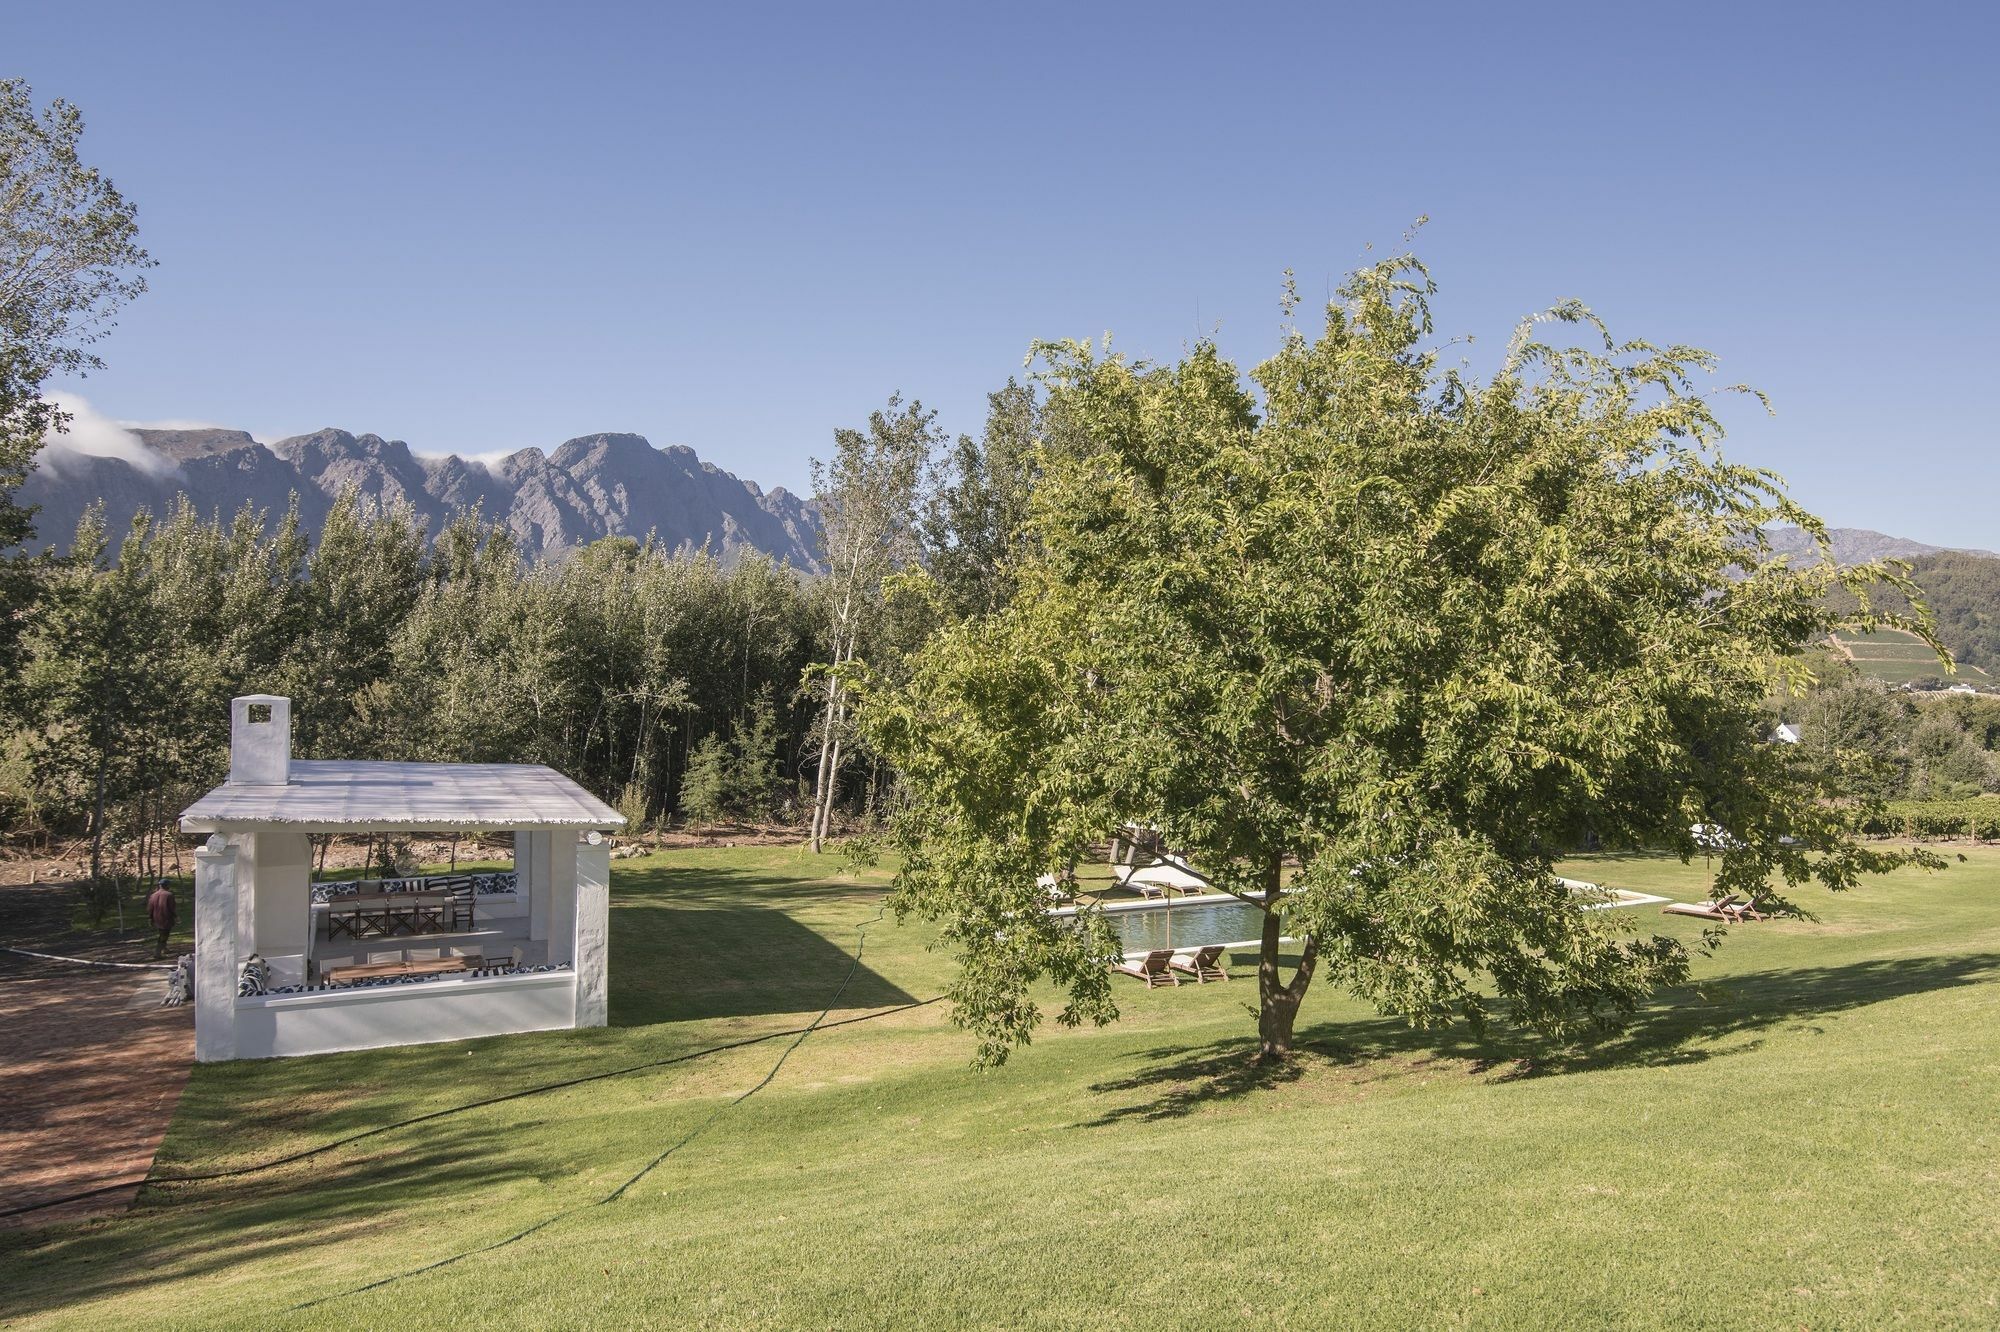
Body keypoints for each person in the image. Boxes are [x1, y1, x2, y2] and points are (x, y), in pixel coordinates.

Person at [146, 879, 178, 958]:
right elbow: (172, 908)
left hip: (156, 918)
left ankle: (164, 948)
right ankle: (157, 952)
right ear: (167, 885)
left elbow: (150, 908)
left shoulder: (153, 895)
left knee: (162, 933)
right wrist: (176, 916)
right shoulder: (169, 895)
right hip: (166, 918)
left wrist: (150, 918)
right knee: (164, 935)